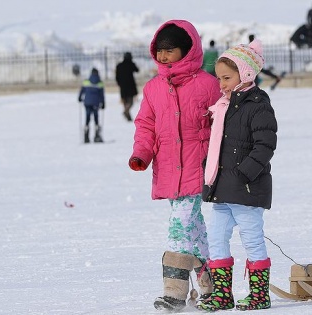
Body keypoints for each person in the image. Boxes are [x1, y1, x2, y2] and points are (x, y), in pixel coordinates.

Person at [128, 19, 220, 312]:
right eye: (160, 51)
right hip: (168, 168)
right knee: (195, 229)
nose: (164, 56)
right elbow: (146, 124)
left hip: (198, 166)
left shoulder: (207, 84)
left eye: (171, 50)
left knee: (180, 226)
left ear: (188, 50)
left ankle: (175, 292)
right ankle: (211, 287)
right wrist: (141, 153)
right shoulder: (153, 88)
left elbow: (221, 124)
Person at [197, 39, 277, 311]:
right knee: (216, 239)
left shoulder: (258, 105)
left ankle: (259, 294)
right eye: (219, 78)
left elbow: (265, 145)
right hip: (221, 187)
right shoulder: (223, 106)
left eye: (226, 78)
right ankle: (222, 294)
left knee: (252, 239)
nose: (221, 84)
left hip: (245, 188)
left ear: (245, 74)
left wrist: (245, 174)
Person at [78, 68, 105, 143]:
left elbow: (82, 91)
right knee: (96, 118)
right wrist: (103, 103)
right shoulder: (100, 83)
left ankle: (86, 136)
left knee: (87, 118)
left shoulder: (86, 81)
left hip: (87, 103)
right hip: (96, 103)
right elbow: (102, 95)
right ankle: (97, 135)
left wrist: (80, 98)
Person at [115, 52, 139, 122]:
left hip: (123, 86)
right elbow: (137, 70)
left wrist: (119, 84)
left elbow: (117, 77)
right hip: (130, 85)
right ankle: (126, 112)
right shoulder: (131, 64)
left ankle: (128, 116)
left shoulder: (119, 65)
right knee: (130, 102)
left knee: (125, 101)